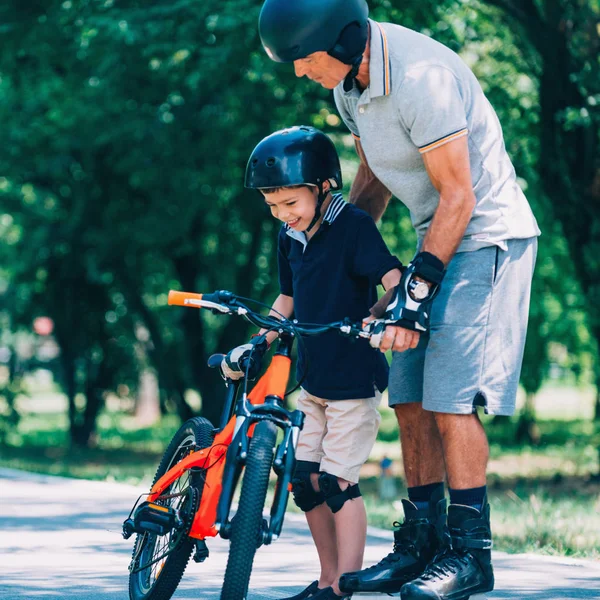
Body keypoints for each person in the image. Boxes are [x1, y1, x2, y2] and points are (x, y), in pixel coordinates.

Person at [258, 2, 540, 599]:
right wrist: (336, 255)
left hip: (484, 238)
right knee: (407, 396)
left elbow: (458, 196)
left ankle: (470, 556)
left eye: (303, 60)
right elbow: (375, 175)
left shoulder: (419, 78)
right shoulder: (350, 90)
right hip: (432, 241)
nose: (299, 73)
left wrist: (414, 292)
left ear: (340, 40)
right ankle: (423, 545)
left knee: (450, 399)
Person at [221, 125, 404, 600]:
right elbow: (287, 298)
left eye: (291, 204)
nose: (283, 215)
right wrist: (257, 343)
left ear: (324, 187)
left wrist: (379, 318)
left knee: (338, 482)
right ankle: (326, 580)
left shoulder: (353, 227)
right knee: (304, 482)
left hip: (353, 379)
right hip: (314, 378)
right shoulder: (290, 236)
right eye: (273, 206)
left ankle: (345, 585)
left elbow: (393, 278)